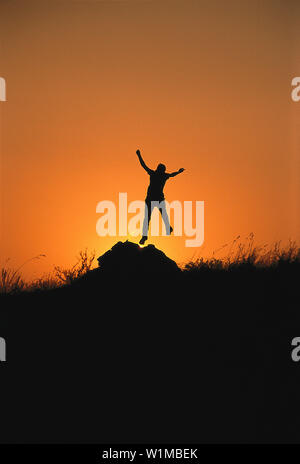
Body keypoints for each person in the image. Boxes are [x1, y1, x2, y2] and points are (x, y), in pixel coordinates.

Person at [136, 149, 185, 245]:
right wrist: (179, 172)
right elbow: (172, 175)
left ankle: (145, 236)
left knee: (148, 218)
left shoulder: (154, 174)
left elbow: (144, 165)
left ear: (158, 169)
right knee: (160, 215)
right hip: (156, 199)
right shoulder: (163, 175)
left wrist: (139, 155)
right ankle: (166, 228)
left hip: (152, 199)